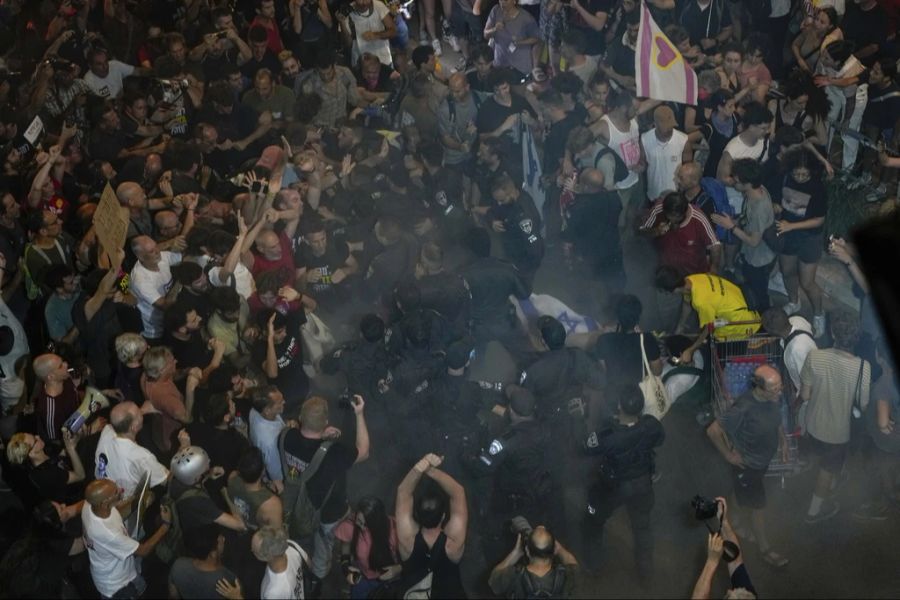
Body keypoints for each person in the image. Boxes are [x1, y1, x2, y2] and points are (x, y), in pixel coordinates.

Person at [279, 395, 370, 594]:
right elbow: (363, 452)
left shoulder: (286, 436)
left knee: (301, 539)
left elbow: (306, 443)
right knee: (323, 547)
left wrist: (321, 435)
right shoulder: (334, 453)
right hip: (328, 513)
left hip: (294, 503)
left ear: (301, 417)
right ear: (326, 422)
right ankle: (317, 580)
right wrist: (360, 414)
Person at [706, 365, 789, 567]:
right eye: (775, 388)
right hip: (748, 466)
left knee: (742, 495)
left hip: (761, 464)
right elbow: (713, 430)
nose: (780, 391)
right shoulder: (744, 407)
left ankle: (731, 515)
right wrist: (728, 455)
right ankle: (765, 549)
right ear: (759, 387)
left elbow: (776, 419)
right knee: (758, 507)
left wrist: (784, 441)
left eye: (780, 386)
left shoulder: (772, 398)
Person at [582, 384, 664, 579]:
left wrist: (582, 418)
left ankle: (595, 567)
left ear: (619, 405)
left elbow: (586, 446)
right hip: (643, 483)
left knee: (594, 521)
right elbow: (659, 440)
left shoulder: (608, 435)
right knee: (642, 527)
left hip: (614, 487)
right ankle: (646, 574)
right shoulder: (651, 424)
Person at [801, 309, 871, 523]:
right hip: (837, 433)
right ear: (857, 337)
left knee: (821, 458)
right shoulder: (862, 367)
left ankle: (828, 483)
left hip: (812, 424)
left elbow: (805, 394)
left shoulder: (815, 356)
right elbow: (864, 405)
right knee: (826, 470)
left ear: (833, 333)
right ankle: (814, 512)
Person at [81, 479, 172, 599]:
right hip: (117, 585)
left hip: (115, 569)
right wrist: (165, 525)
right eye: (115, 492)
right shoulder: (108, 533)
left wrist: (139, 502)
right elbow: (143, 551)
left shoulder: (89, 506)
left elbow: (115, 513)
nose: (120, 490)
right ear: (104, 503)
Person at [771, 149, 828, 336]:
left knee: (808, 281)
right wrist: (777, 205)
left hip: (809, 237)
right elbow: (777, 198)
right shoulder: (784, 178)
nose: (801, 177)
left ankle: (819, 314)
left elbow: (819, 220)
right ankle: (794, 301)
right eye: (797, 173)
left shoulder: (818, 188)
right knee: (787, 271)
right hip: (787, 232)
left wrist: (791, 226)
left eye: (805, 174)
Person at [395, 454, 467, 598]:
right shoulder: (453, 544)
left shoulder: (407, 541)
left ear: (416, 513)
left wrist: (420, 467)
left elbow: (403, 491)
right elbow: (458, 492)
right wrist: (430, 470)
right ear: (443, 516)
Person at [710, 159, 776, 312]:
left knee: (759, 291)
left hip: (759, 259)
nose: (733, 182)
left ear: (748, 183)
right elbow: (746, 217)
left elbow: (754, 241)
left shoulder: (760, 208)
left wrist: (731, 226)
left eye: (737, 180)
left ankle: (763, 315)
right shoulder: (754, 191)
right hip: (750, 254)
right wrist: (735, 221)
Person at [639, 191, 722, 278]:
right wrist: (656, 231)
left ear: (685, 212)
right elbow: (641, 231)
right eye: (669, 217)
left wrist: (713, 269)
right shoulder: (658, 210)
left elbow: (715, 244)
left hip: (693, 272)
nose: (672, 221)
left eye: (676, 218)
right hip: (666, 270)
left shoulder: (698, 218)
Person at [335, 495, 403, 599]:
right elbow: (345, 550)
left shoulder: (395, 530)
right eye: (358, 520)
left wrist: (399, 568)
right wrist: (346, 568)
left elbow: (415, 558)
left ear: (377, 523)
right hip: (362, 578)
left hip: (389, 580)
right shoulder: (350, 525)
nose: (360, 527)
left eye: (365, 524)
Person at [488, 524, 579, 598]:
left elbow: (494, 580)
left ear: (527, 550)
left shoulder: (513, 575)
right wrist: (559, 549)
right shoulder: (567, 575)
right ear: (553, 549)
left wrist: (515, 553)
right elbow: (573, 564)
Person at [690, 498, 757, 599]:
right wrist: (723, 521)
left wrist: (712, 561)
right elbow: (735, 560)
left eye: (730, 594)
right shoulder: (748, 596)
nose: (729, 590)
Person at [168, 524, 243, 600]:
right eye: (220, 539)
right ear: (212, 554)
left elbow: (173, 596)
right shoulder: (227, 581)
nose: (224, 539)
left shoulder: (178, 565)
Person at [641, 106, 692, 202]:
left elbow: (688, 169)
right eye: (665, 127)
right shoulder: (645, 139)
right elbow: (643, 164)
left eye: (671, 126)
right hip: (654, 194)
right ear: (655, 124)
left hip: (676, 194)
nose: (669, 130)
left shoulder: (683, 140)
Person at [761, 307, 817, 394]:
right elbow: (812, 329)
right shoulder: (797, 319)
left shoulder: (797, 350)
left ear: (772, 331)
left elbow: (808, 383)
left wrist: (797, 403)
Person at [252, 525, 312, 599]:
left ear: (267, 557)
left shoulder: (274, 592)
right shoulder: (291, 545)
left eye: (254, 551)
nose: (252, 551)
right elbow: (308, 563)